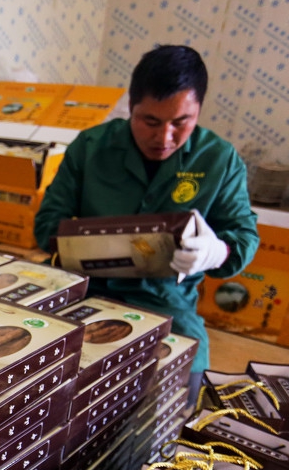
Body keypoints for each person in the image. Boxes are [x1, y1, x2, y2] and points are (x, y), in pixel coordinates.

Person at [34, 45, 259, 400]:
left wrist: (217, 252)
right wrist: (82, 244)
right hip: (82, 286)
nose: (164, 137)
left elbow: (244, 238)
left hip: (166, 299)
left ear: (199, 111)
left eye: (180, 122)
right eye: (150, 121)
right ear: (131, 107)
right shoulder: (90, 147)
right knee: (38, 378)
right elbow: (46, 224)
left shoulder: (219, 159)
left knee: (183, 392)